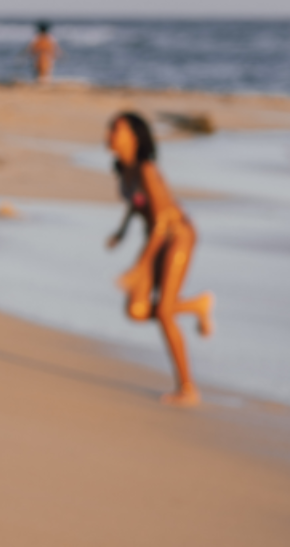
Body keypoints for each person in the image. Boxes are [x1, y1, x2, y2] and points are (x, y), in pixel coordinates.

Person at [105, 111, 214, 406]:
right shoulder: (123, 171)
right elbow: (136, 205)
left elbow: (163, 222)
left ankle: (188, 389)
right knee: (137, 310)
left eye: (116, 129)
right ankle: (196, 305)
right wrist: (121, 232)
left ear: (133, 137)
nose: (109, 134)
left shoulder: (147, 170)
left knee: (164, 313)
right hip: (156, 236)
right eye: (110, 129)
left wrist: (140, 267)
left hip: (177, 236)